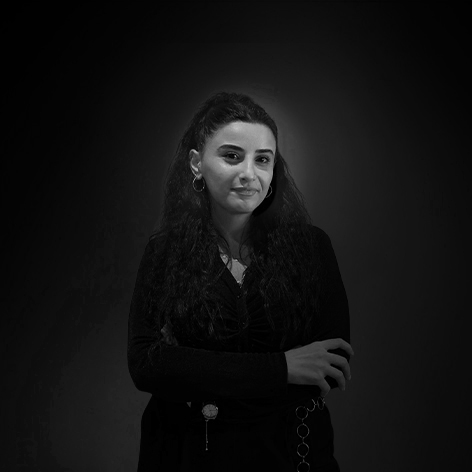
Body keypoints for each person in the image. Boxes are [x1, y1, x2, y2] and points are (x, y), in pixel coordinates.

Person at [128, 92, 353, 472]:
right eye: (232, 156)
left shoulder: (312, 248)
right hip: (186, 456)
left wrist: (199, 378)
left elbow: (331, 364)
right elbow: (146, 365)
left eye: (263, 159)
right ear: (196, 164)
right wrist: (282, 368)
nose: (249, 173)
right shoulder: (164, 252)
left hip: (290, 455)